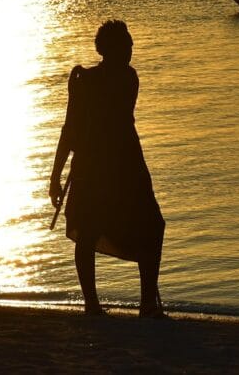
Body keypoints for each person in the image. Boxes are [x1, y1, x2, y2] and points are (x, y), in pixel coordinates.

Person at [49, 20, 166, 317]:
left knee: (152, 225)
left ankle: (147, 302)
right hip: (98, 165)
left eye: (130, 45)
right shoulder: (87, 80)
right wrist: (55, 175)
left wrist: (79, 82)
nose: (130, 50)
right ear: (109, 49)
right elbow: (70, 129)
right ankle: (93, 304)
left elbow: (103, 114)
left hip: (124, 165)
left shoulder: (127, 78)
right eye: (125, 45)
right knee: (89, 229)